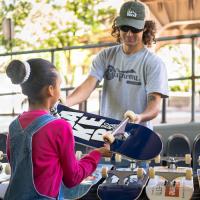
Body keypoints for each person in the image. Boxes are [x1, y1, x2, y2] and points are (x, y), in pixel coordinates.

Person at [5, 58, 112, 200]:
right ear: (50, 90)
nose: (60, 91)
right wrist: (96, 154)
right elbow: (73, 178)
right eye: (59, 86)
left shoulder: (13, 127)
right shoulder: (60, 127)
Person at [66, 1, 168, 130]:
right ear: (118, 26)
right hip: (106, 131)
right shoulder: (106, 56)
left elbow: (154, 105)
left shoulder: (154, 63)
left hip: (138, 132)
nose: (129, 33)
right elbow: (87, 87)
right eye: (125, 27)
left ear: (145, 28)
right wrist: (63, 103)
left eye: (135, 29)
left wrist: (139, 117)